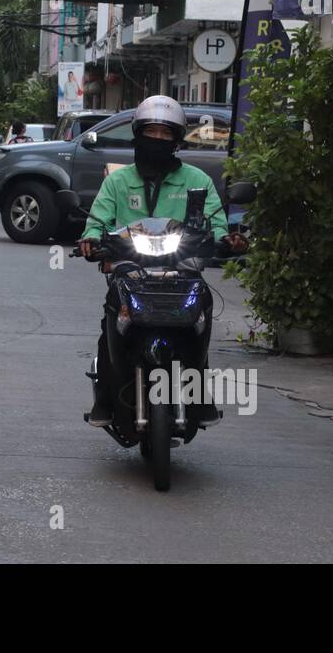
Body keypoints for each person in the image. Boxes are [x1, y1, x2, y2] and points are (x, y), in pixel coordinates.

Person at [77, 95, 247, 428]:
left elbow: (216, 223)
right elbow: (97, 221)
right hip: (130, 270)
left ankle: (198, 389)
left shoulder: (197, 181)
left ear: (177, 140)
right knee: (113, 311)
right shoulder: (118, 181)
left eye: (165, 134)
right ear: (138, 135)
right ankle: (107, 393)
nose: (157, 140)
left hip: (182, 270)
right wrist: (91, 240)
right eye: (150, 132)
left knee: (204, 305)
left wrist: (227, 240)